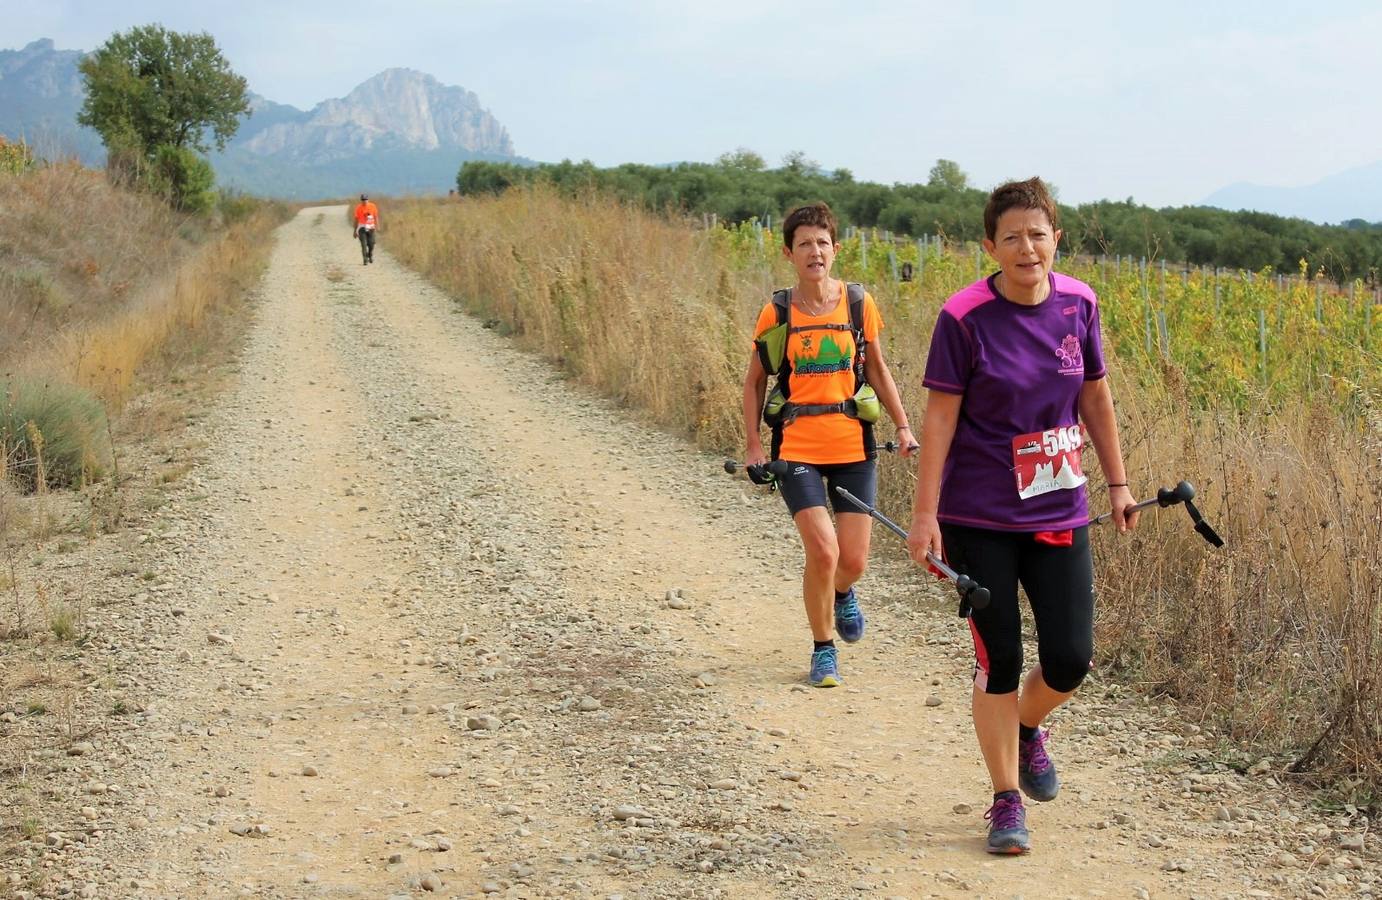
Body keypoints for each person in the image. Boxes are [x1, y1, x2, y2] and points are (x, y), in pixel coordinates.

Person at [905, 177, 1139, 855]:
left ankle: (1029, 727)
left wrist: (1119, 484)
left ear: (1055, 240)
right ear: (990, 245)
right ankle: (1006, 798)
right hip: (978, 513)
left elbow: (1096, 398)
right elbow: (940, 419)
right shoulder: (964, 317)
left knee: (1070, 658)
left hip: (1060, 503)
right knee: (1000, 656)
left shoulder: (1079, 304)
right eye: (1011, 236)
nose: (1026, 247)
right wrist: (925, 517)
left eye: (1038, 234)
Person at [742, 202, 918, 688]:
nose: (814, 251)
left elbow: (878, 369)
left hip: (853, 447)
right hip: (796, 447)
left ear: (835, 250)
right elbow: (755, 381)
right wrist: (755, 445)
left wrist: (903, 426)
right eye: (804, 244)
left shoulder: (859, 304)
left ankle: (842, 593)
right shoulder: (777, 311)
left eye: (822, 243)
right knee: (822, 550)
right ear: (789, 253)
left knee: (853, 560)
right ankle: (823, 649)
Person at [353, 193, 380, 265]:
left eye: (365, 199)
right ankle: (365, 259)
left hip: (371, 227)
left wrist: (378, 226)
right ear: (361, 200)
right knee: (364, 244)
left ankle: (370, 254)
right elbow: (356, 219)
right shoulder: (358, 208)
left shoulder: (373, 206)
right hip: (362, 228)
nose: (364, 201)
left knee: (371, 243)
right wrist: (355, 231)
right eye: (363, 200)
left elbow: (376, 216)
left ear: (368, 199)